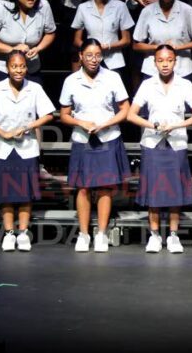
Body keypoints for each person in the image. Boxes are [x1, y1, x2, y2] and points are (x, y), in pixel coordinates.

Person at [127, 45, 192, 254]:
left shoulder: (185, 84)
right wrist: (152, 125)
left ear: (175, 62)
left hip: (176, 142)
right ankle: (154, 235)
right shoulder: (147, 85)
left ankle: (173, 235)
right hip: (152, 142)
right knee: (153, 189)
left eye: (169, 60)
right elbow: (131, 115)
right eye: (161, 60)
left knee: (174, 190)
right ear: (155, 62)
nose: (165, 64)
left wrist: (177, 125)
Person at [0, 51, 55, 252]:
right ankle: (9, 233)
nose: (18, 70)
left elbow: (48, 115)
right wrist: (1, 132)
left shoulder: (34, 88)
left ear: (26, 68)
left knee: (25, 193)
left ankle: (23, 233)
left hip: (27, 148)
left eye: (22, 66)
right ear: (7, 68)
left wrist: (29, 126)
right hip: (2, 148)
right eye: (14, 66)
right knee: (6, 194)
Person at [58, 40, 132, 253]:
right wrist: (81, 122)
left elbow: (124, 109)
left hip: (108, 137)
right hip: (82, 139)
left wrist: (105, 123)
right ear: (80, 55)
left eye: (98, 55)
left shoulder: (112, 77)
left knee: (105, 187)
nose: (94, 59)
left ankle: (101, 233)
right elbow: (64, 114)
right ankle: (83, 234)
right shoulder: (71, 81)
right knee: (82, 187)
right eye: (89, 55)